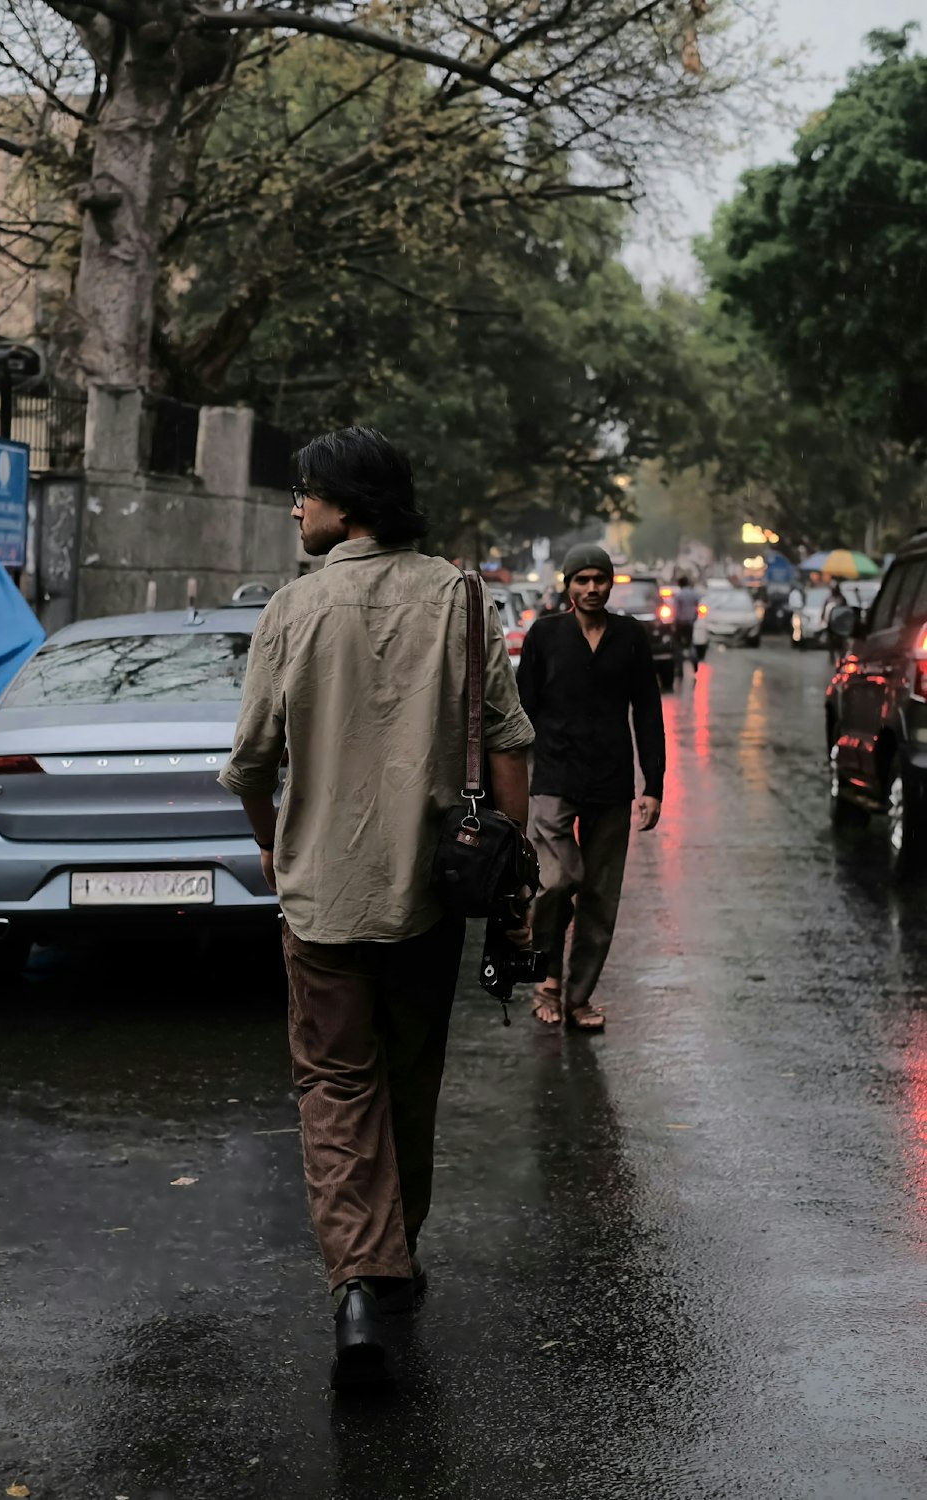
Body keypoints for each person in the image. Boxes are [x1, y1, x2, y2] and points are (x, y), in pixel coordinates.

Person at [219, 427, 534, 1391]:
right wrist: (508, 869)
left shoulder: (292, 609)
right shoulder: (463, 600)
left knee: (335, 1087)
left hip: (319, 899)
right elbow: (510, 746)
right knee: (408, 1080)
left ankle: (362, 1280)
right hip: (428, 899)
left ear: (346, 506)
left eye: (305, 493)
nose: (295, 507)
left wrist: (270, 838)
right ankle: (397, 1261)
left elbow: (250, 762)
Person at [516, 543, 665, 1031]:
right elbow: (524, 711)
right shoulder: (545, 635)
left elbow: (647, 709)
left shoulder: (630, 637)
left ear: (611, 582)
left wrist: (654, 784)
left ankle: (578, 996)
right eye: (581, 580)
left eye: (599, 579)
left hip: (612, 780)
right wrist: (515, 781)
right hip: (555, 776)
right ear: (568, 585)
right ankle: (547, 981)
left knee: (602, 895)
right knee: (556, 881)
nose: (591, 588)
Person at [673, 575, 701, 678]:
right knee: (690, 644)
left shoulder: (679, 595)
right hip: (690, 623)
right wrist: (694, 618)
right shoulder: (694, 594)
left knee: (678, 645)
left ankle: (679, 669)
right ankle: (695, 662)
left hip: (680, 623)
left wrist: (674, 623)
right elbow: (697, 607)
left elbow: (676, 611)